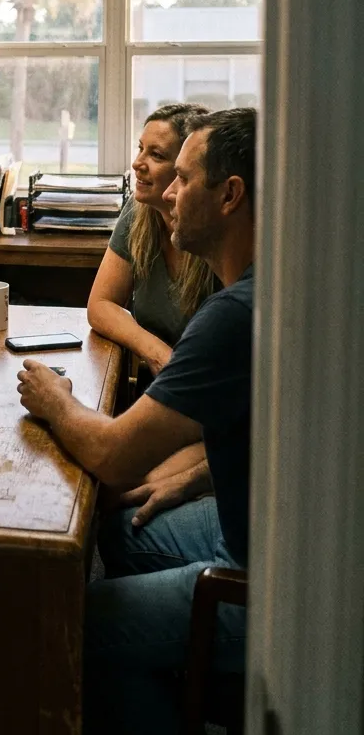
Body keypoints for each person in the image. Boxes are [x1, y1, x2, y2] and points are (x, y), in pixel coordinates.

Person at [17, 107, 256, 735]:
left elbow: (117, 457)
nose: (166, 190)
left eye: (182, 175)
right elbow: (266, 438)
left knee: (73, 624)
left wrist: (56, 400)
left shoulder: (233, 314)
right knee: (118, 527)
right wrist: (189, 478)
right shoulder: (278, 290)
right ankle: (163, 685)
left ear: (230, 194)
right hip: (256, 533)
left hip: (267, 586)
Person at [88, 103, 218, 528]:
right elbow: (101, 304)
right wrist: (156, 350)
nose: (137, 164)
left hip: (204, 416)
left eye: (157, 156)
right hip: (158, 397)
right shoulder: (140, 212)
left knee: (112, 497)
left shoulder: (212, 236)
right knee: (98, 488)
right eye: (139, 149)